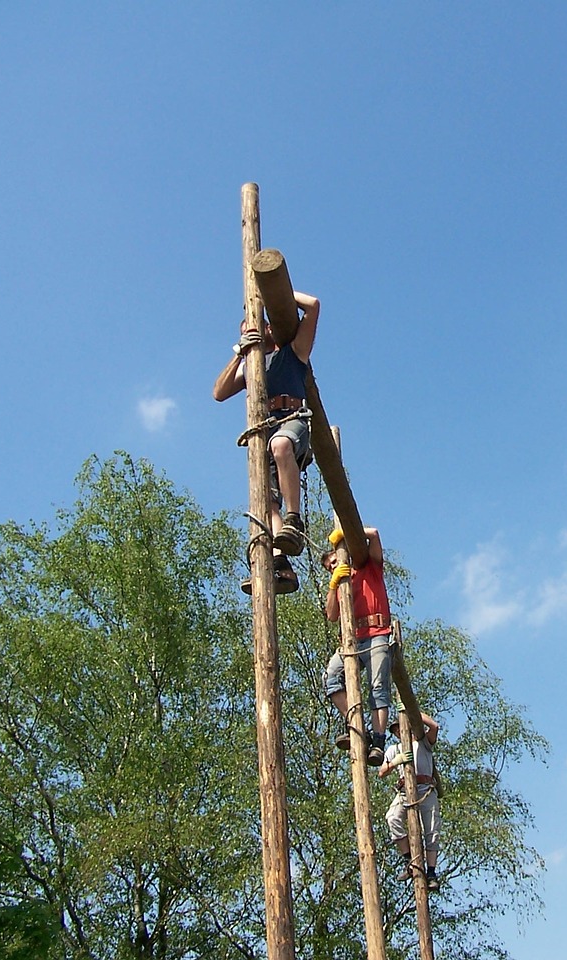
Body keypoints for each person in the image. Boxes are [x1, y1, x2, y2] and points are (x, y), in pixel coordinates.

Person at [213, 290, 319, 594]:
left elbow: (313, 307)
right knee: (266, 499)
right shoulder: (251, 366)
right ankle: (280, 562)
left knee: (282, 446)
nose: (257, 330)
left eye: (260, 324)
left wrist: (266, 292)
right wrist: (239, 353)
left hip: (292, 421)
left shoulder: (293, 351)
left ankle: (293, 520)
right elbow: (219, 392)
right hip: (264, 431)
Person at [321, 526, 392, 766]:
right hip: (352, 640)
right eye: (329, 566)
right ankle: (355, 722)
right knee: (331, 677)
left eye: (335, 561)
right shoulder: (340, 587)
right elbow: (331, 616)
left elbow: (373, 534)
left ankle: (379, 741)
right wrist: (334, 584)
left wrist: (346, 533)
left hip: (376, 634)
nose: (333, 566)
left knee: (378, 686)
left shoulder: (368, 568)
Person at [378, 711, 441, 891]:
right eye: (397, 729)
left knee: (432, 831)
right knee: (392, 818)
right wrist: (396, 761)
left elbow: (434, 726)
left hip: (425, 790)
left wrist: (413, 711)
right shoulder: (394, 749)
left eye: (402, 727)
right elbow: (382, 772)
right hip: (405, 790)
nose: (400, 732)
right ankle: (408, 859)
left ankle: (431, 872)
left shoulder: (424, 743)